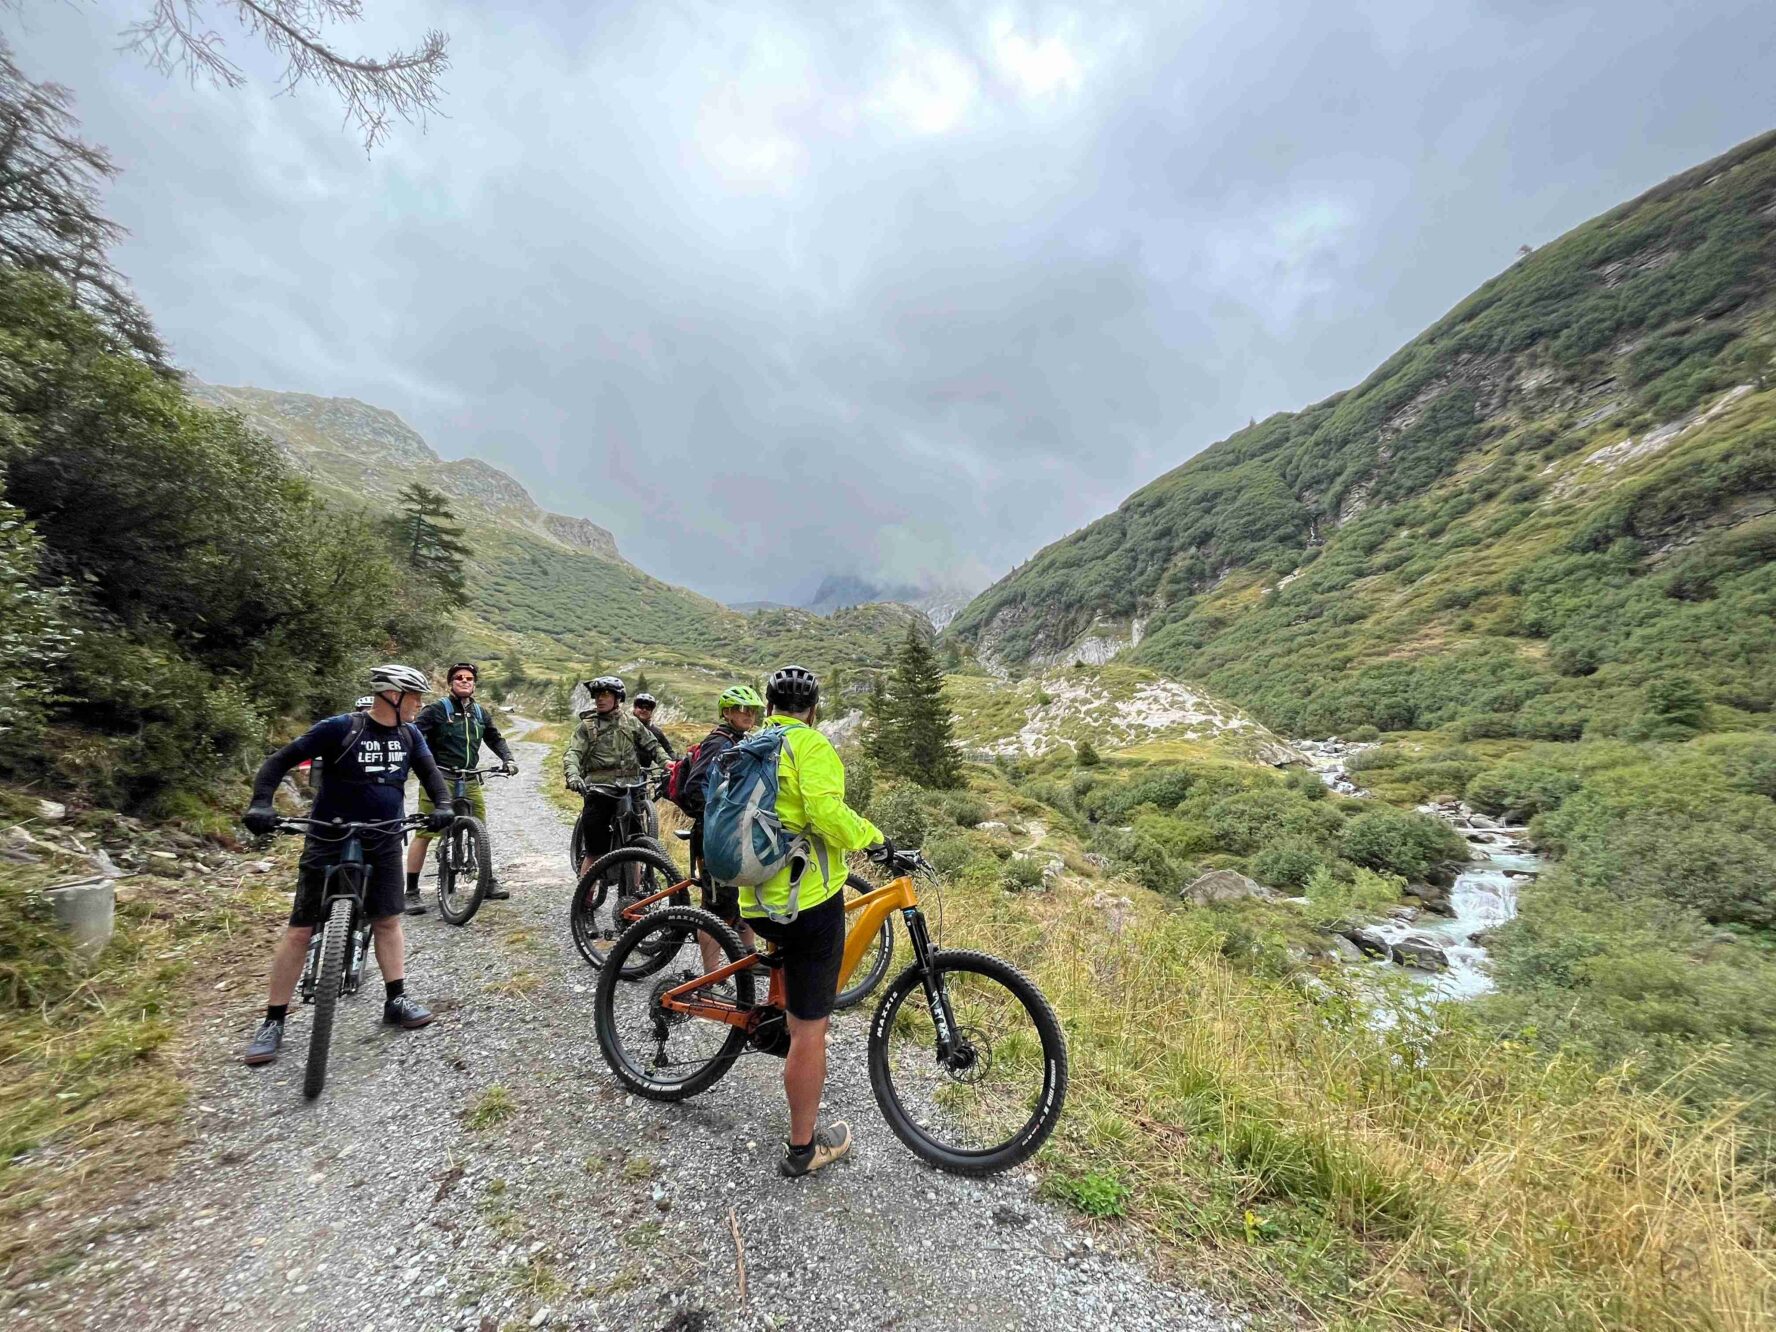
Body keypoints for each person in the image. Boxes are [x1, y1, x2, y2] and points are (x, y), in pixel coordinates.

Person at [239, 664, 455, 1066]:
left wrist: (443, 806)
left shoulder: (410, 735)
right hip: (328, 836)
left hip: (383, 837)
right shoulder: (340, 728)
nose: (419, 705)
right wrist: (261, 804)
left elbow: (430, 775)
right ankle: (273, 1020)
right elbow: (278, 762)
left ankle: (396, 999)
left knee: (387, 921)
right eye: (414, 697)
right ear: (393, 696)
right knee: (300, 929)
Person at [738, 664, 887, 1178]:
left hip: (755, 899)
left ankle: (778, 1017)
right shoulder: (812, 745)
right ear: (814, 710)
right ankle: (804, 1149)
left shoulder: (752, 744)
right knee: (810, 1030)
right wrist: (875, 839)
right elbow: (826, 813)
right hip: (806, 903)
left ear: (768, 706)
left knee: (791, 985)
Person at [403, 662, 519, 912]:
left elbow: (494, 738)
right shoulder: (436, 710)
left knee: (480, 831)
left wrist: (508, 759)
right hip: (439, 777)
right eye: (459, 678)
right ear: (450, 683)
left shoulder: (479, 713)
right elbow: (413, 736)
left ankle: (487, 881)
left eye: (469, 678)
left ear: (474, 684)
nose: (465, 681)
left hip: (469, 779)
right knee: (425, 832)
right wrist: (419, 764)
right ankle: (411, 891)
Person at [684, 683, 765, 972]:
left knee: (741, 897)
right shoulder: (718, 743)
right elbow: (695, 788)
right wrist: (720, 818)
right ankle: (711, 977)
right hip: (715, 837)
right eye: (742, 709)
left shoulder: (740, 740)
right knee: (717, 909)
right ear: (727, 712)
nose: (749, 715)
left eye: (753, 710)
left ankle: (747, 956)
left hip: (734, 835)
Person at [564, 675, 668, 875]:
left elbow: (653, 746)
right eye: (597, 695)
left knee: (636, 846)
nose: (599, 699)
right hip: (598, 790)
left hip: (630, 788)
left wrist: (668, 765)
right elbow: (573, 753)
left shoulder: (632, 723)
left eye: (605, 694)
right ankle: (586, 891)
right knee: (595, 852)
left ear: (617, 698)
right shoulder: (587, 726)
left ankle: (636, 891)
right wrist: (573, 775)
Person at [631, 692, 675, 760]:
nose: (644, 710)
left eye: (648, 708)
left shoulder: (656, 732)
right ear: (635, 708)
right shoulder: (624, 727)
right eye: (641, 707)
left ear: (651, 712)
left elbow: (669, 752)